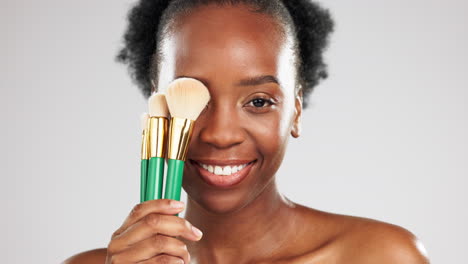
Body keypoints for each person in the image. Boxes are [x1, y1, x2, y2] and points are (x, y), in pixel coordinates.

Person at [64, 0, 429, 263]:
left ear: (296, 110)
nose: (221, 135)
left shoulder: (380, 256)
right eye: (198, 96)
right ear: (158, 102)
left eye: (258, 101)